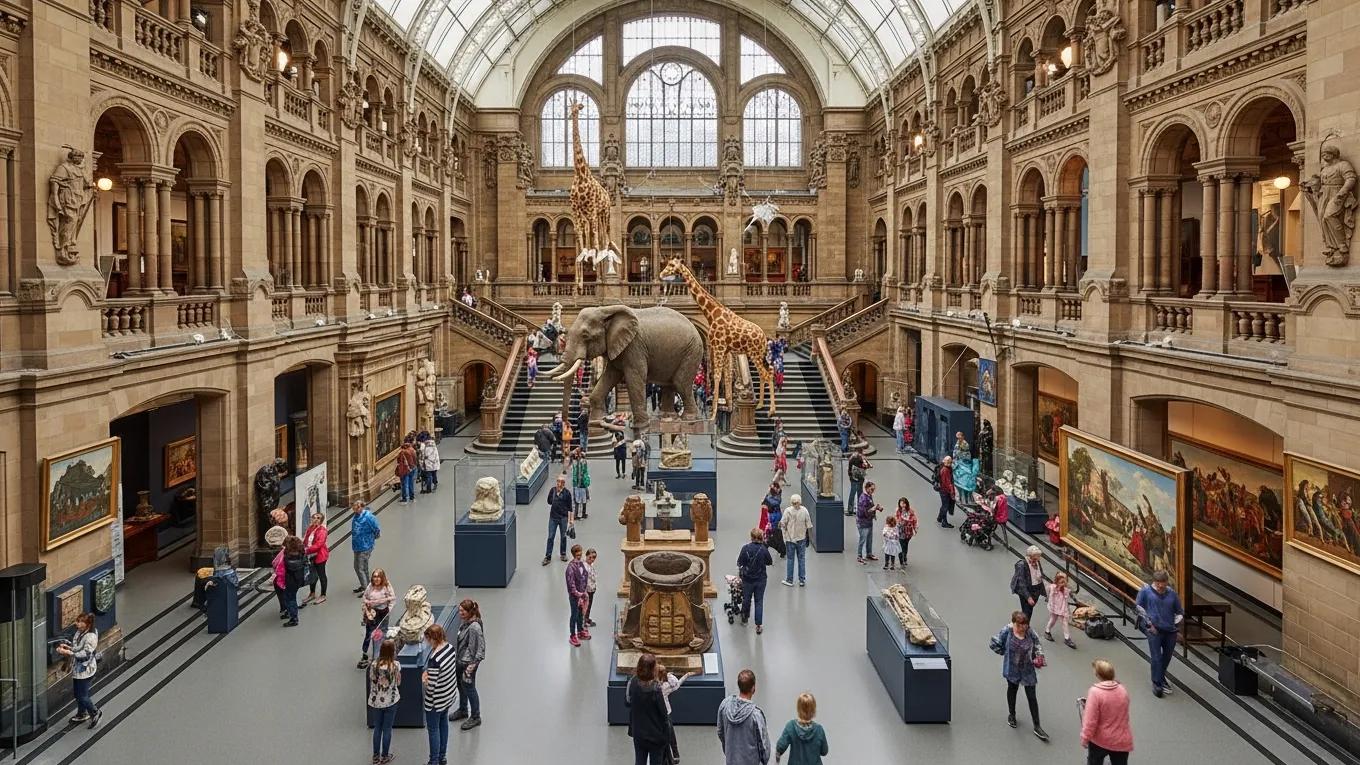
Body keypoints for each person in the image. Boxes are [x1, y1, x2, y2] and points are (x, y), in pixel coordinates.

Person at [994, 610, 1048, 741]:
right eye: (1021, 625)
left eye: (1026, 625)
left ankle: (1037, 725)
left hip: (1027, 668)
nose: (1024, 628)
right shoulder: (1007, 631)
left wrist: (1039, 657)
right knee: (1012, 690)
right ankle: (1012, 715)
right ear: (1014, 624)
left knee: (1032, 696)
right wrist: (1005, 653)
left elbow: (1037, 644)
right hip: (1012, 668)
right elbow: (994, 643)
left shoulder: (1030, 632)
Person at [1135, 569, 1184, 698]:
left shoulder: (1172, 594)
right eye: (1159, 583)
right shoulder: (1145, 592)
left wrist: (1176, 626)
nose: (1161, 586)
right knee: (1156, 657)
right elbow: (1139, 608)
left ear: (1167, 582)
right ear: (1155, 582)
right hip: (1154, 631)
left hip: (1170, 631)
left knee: (1166, 657)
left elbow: (1179, 611)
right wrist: (1149, 624)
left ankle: (1161, 677)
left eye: (1164, 582)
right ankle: (1157, 683)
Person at [1081, 659, 1134, 765]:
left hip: (1100, 740)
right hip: (1121, 740)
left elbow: (1090, 721)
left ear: (1098, 675)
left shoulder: (1095, 692)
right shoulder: (1122, 690)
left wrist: (1085, 738)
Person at [55, 613, 102, 728]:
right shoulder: (79, 632)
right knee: (78, 694)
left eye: (81, 621)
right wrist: (68, 647)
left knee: (82, 695)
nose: (77, 623)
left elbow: (85, 655)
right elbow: (78, 648)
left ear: (87, 624)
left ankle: (95, 712)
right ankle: (82, 713)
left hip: (85, 671)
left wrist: (68, 652)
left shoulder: (90, 637)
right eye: (77, 620)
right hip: (78, 670)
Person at [625, 653, 671, 765]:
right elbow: (664, 716)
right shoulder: (656, 689)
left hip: (638, 733)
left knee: (639, 760)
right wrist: (667, 737)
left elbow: (627, 703)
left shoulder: (633, 682)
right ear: (653, 669)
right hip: (656, 736)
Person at [718, 669, 770, 765]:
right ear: (753, 688)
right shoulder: (756, 715)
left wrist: (729, 751)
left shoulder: (725, 705)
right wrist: (764, 760)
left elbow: (720, 731)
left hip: (731, 760)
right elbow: (763, 744)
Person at [422, 624, 457, 765]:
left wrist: (424, 680)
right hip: (448, 696)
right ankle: (442, 756)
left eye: (427, 639)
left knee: (433, 730)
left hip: (436, 701)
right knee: (444, 725)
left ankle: (434, 761)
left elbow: (431, 686)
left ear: (432, 639)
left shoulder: (435, 659)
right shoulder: (450, 648)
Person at [450, 599, 485, 730]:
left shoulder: (475, 627)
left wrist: (471, 666)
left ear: (470, 612)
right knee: (461, 685)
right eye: (459, 610)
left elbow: (480, 649)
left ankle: (476, 716)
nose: (460, 613)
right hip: (461, 660)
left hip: (468, 664)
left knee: (469, 687)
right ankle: (463, 709)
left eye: (463, 611)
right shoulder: (466, 623)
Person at [368, 639, 401, 764]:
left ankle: (375, 757)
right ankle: (385, 756)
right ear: (393, 652)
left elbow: (372, 678)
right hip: (391, 701)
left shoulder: (374, 665)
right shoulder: (396, 665)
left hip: (376, 701)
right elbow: (398, 682)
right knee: (387, 729)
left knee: (378, 728)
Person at [774, 692, 828, 765]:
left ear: (799, 708)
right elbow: (824, 751)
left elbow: (780, 748)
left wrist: (777, 760)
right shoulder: (819, 730)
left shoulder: (791, 726)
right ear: (813, 709)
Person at [737, 528, 774, 634]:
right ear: (761, 537)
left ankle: (745, 619)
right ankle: (758, 625)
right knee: (759, 601)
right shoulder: (763, 549)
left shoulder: (745, 548)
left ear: (751, 537)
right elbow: (769, 561)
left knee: (746, 599)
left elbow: (740, 562)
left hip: (747, 579)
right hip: (761, 579)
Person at [358, 569, 396, 668]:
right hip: (372, 613)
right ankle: (365, 654)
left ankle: (378, 657)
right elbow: (365, 597)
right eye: (374, 576)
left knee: (380, 634)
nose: (376, 579)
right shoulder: (370, 586)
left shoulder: (387, 586)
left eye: (378, 576)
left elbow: (392, 599)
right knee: (369, 633)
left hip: (383, 613)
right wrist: (367, 609)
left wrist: (388, 610)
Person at [658, 663, 694, 763]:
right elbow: (677, 684)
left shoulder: (656, 686)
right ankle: (675, 754)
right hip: (666, 713)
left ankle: (667, 755)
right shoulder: (667, 685)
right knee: (670, 734)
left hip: (658, 714)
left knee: (664, 735)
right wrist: (686, 675)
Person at [779, 494, 811, 587]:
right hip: (801, 538)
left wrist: (784, 535)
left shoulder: (787, 511)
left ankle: (790, 580)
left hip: (790, 539)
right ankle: (802, 580)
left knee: (790, 559)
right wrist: (807, 537)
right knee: (801, 559)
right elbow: (808, 525)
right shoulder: (804, 510)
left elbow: (783, 524)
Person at [543, 474, 575, 565]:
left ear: (564, 483)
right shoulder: (552, 491)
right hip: (553, 518)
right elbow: (549, 502)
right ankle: (548, 556)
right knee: (550, 537)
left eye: (561, 482)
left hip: (563, 518)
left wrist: (571, 520)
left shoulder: (567, 493)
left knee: (563, 536)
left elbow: (570, 508)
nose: (558, 483)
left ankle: (563, 554)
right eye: (557, 481)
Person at [351, 500, 381, 593]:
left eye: (357, 508)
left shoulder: (369, 517)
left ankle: (366, 588)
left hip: (365, 546)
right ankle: (366, 584)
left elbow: (376, 529)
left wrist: (372, 539)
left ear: (361, 507)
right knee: (360, 566)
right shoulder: (356, 516)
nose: (355, 510)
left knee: (360, 567)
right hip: (357, 545)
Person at [1011, 546, 1047, 621]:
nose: (1038, 559)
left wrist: (1046, 592)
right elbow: (1021, 583)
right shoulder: (1021, 565)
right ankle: (1024, 627)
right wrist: (1028, 597)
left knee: (1029, 610)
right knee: (1027, 611)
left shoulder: (1037, 561)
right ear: (1031, 556)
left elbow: (1041, 575)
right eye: (1036, 557)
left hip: (1036, 590)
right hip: (1026, 591)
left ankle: (1024, 625)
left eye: (1038, 557)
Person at [566, 544, 591, 646]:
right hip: (574, 597)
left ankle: (580, 631)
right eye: (577, 553)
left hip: (582, 595)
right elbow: (571, 585)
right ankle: (572, 635)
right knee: (574, 615)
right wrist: (579, 594)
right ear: (574, 554)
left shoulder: (581, 564)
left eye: (580, 553)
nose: (579, 555)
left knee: (580, 614)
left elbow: (584, 577)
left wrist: (584, 592)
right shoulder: (570, 568)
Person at [302, 512, 329, 605]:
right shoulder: (310, 528)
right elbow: (306, 540)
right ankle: (312, 593)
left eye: (318, 518)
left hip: (319, 556)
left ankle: (323, 595)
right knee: (312, 575)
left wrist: (306, 550)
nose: (316, 519)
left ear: (321, 521)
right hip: (310, 556)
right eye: (314, 517)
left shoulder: (322, 531)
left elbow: (319, 544)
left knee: (321, 575)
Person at [1044, 571, 1077, 649]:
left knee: (1064, 622)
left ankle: (1067, 638)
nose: (1064, 583)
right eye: (1062, 582)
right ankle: (1047, 631)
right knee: (1053, 619)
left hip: (1062, 607)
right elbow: (1049, 594)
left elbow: (1071, 594)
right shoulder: (1052, 588)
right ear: (1057, 581)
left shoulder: (1066, 589)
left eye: (1065, 581)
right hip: (1054, 607)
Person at [281, 534, 307, 627]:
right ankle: (290, 612)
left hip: (290, 580)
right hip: (298, 579)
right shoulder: (301, 554)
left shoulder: (287, 557)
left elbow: (284, 568)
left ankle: (293, 618)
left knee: (290, 598)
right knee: (291, 596)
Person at [855, 481, 882, 564]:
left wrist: (876, 510)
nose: (873, 491)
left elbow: (870, 507)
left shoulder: (869, 496)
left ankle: (869, 553)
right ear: (867, 488)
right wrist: (873, 509)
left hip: (869, 521)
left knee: (869, 539)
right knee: (862, 539)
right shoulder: (863, 498)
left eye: (874, 489)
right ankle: (859, 556)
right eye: (871, 489)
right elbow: (863, 512)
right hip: (863, 522)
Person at [894, 498, 918, 568]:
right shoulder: (898, 511)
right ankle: (902, 560)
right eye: (901, 503)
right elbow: (896, 519)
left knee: (905, 545)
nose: (903, 505)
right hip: (901, 531)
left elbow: (914, 520)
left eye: (904, 503)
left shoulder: (911, 511)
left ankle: (905, 557)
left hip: (908, 531)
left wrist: (915, 528)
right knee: (901, 546)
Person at [845, 449, 869, 516]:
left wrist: (850, 476)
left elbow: (849, 469)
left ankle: (850, 510)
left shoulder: (852, 458)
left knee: (852, 494)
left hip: (854, 479)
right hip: (860, 479)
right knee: (859, 494)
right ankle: (860, 509)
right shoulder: (862, 459)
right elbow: (867, 467)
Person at [571, 448, 592, 520]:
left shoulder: (575, 462)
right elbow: (583, 471)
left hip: (576, 483)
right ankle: (582, 514)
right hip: (582, 483)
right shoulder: (583, 461)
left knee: (577, 500)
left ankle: (576, 515)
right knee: (583, 499)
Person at [935, 456, 956, 528]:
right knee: (945, 506)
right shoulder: (946, 470)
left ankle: (940, 518)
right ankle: (944, 522)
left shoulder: (943, 467)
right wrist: (952, 491)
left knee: (944, 504)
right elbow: (948, 482)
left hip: (943, 490)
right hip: (945, 491)